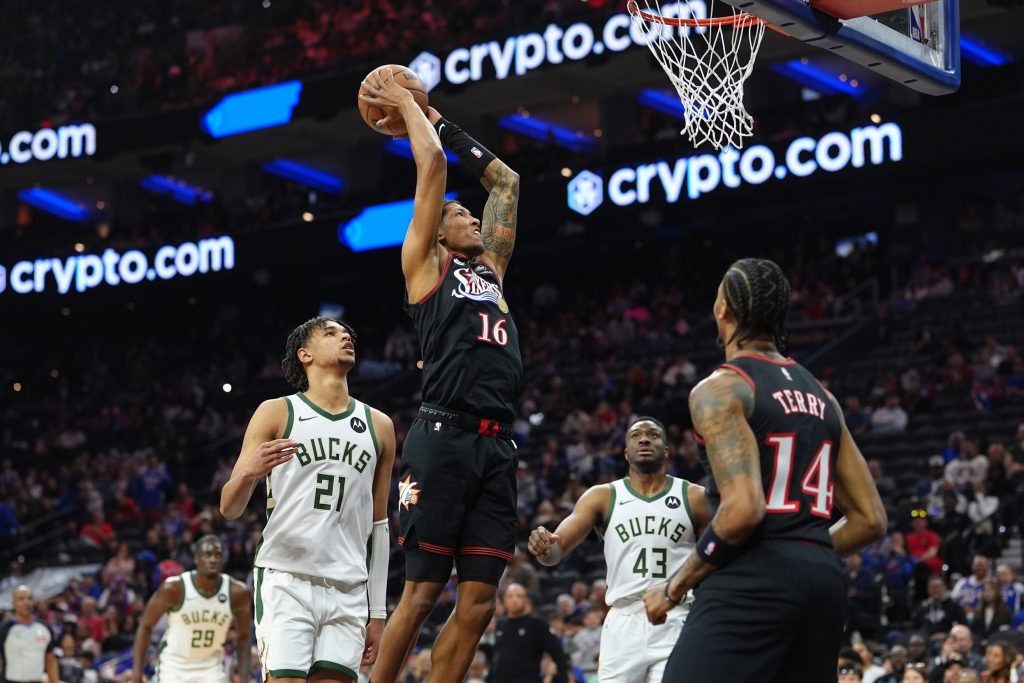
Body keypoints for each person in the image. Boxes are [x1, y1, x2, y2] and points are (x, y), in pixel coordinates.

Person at [642, 258, 887, 682]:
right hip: (823, 581)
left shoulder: (722, 388)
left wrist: (673, 587)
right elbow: (871, 519)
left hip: (754, 577)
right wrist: (804, 553)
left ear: (723, 308)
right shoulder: (823, 396)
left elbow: (743, 510)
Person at [359, 68, 523, 683]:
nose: (472, 218)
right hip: (443, 434)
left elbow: (506, 181)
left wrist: (440, 121)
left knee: (478, 603)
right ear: (439, 230)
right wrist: (407, 107)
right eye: (459, 214)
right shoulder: (425, 265)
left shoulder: (492, 270)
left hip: (497, 443)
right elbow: (432, 168)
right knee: (423, 592)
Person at [220, 317, 396, 683]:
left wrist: (378, 613)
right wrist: (249, 473)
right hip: (287, 577)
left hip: (348, 586)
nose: (345, 336)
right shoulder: (277, 411)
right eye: (330, 333)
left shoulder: (379, 425)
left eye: (347, 333)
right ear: (305, 354)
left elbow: (379, 524)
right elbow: (229, 508)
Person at [529, 417, 708, 683]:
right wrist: (544, 547)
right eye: (636, 436)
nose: (644, 439)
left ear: (667, 450)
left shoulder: (694, 497)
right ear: (625, 452)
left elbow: (718, 553)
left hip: (676, 615)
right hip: (624, 620)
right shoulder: (602, 496)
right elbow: (557, 549)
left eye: (653, 435)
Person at [131, 535, 251, 683]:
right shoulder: (174, 588)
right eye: (207, 554)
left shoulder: (238, 593)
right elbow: (145, 626)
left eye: (218, 555)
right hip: (173, 667)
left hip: (211, 668)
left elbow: (244, 638)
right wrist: (137, 675)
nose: (213, 559)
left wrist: (245, 679)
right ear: (196, 559)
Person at [491, 584, 567, 683]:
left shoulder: (537, 623)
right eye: (510, 596)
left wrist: (563, 679)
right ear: (504, 601)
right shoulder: (501, 624)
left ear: (526, 600)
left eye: (519, 596)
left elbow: (558, 654)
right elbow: (498, 656)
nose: (514, 600)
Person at [0, 586, 59, 683]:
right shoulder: (5, 629)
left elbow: (50, 661)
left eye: (30, 598)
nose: (26, 602)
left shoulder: (45, 628)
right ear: (13, 603)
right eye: (21, 599)